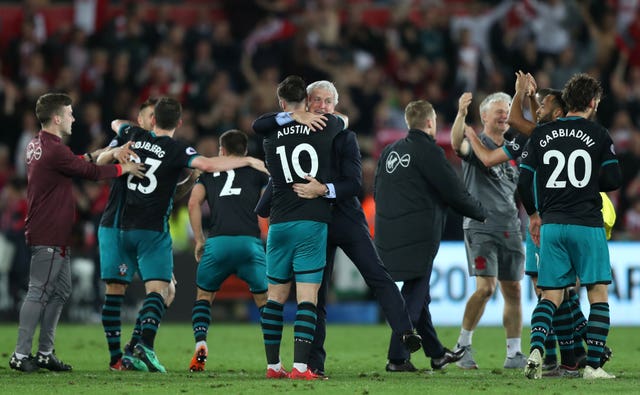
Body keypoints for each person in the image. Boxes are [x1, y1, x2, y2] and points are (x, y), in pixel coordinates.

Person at [253, 80, 422, 376]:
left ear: (335, 105)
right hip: (313, 222)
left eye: (327, 101)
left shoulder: (343, 135)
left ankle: (406, 332)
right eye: (315, 100)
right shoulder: (301, 128)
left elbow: (354, 183)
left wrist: (325, 189)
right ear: (306, 103)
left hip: (343, 215)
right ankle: (313, 364)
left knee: (376, 273)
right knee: (316, 296)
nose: (321, 106)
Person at [103, 97, 267, 373]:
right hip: (158, 230)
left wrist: (120, 144)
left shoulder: (132, 134)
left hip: (120, 225)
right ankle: (274, 360)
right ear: (179, 122)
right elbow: (209, 165)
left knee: (121, 293)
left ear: (152, 119)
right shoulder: (179, 150)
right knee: (166, 290)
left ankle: (123, 356)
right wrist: (249, 160)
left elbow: (116, 123)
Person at [9, 93, 145, 373]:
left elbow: (77, 162)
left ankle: (45, 353)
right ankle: (20, 354)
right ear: (57, 118)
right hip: (47, 230)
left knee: (60, 290)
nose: (73, 118)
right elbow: (90, 173)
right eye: (70, 113)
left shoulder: (40, 144)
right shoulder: (54, 149)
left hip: (53, 230)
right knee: (39, 291)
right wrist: (123, 167)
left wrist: (108, 151)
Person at [519, 73, 622, 380]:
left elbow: (525, 181)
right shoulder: (599, 134)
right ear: (592, 102)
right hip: (586, 223)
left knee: (549, 294)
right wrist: (590, 181)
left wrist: (535, 213)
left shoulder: (541, 134)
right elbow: (614, 180)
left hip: (551, 225)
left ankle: (537, 349)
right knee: (597, 292)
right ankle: (592, 366)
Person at [374, 99, 486, 373]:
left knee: (418, 295)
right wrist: (482, 213)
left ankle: (436, 353)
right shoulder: (429, 151)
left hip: (387, 231)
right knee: (414, 294)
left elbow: (377, 190)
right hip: (419, 233)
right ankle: (397, 358)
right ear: (429, 122)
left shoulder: (389, 152)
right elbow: (453, 191)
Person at [251, 75, 345, 380]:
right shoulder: (324, 125)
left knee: (275, 297)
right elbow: (343, 120)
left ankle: (272, 366)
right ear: (307, 101)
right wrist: (310, 115)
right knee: (308, 297)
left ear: (281, 103)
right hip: (311, 221)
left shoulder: (269, 133)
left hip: (278, 223)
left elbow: (258, 123)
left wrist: (291, 116)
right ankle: (301, 368)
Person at [98, 98, 191, 371]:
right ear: (142, 121)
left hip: (145, 226)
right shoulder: (127, 141)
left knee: (168, 290)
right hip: (118, 223)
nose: (154, 122)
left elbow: (171, 192)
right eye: (150, 116)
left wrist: (192, 179)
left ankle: (134, 347)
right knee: (116, 288)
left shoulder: (158, 150)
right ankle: (118, 358)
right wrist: (114, 154)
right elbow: (99, 161)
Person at [450, 91, 528, 370]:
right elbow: (457, 143)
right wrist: (460, 114)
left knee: (514, 291)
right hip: (481, 226)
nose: (505, 113)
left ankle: (514, 353)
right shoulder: (477, 144)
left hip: (511, 227)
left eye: (508, 109)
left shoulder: (512, 149)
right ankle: (462, 346)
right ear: (484, 116)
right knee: (485, 288)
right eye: (499, 110)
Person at [187, 129, 269, 372]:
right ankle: (272, 359)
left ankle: (201, 343)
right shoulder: (256, 171)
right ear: (245, 151)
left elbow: (193, 203)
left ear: (221, 150)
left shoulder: (209, 173)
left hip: (218, 243)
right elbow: (270, 203)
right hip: (248, 243)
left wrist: (200, 240)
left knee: (204, 297)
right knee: (264, 300)